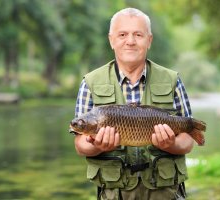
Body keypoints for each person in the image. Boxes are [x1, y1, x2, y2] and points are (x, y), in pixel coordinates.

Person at [73, 7, 194, 200]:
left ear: (149, 40)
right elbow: (80, 145)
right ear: (111, 40)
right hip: (115, 193)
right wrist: (98, 146)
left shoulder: (173, 80)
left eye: (138, 34)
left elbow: (187, 141)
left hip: (165, 193)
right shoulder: (90, 82)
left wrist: (170, 144)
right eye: (122, 34)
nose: (130, 41)